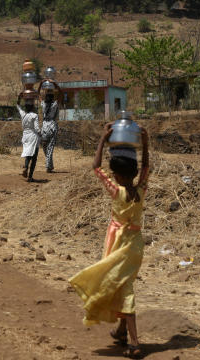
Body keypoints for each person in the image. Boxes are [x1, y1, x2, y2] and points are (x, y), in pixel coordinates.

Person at [68, 123, 150, 359]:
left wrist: (103, 139)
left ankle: (135, 343)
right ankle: (122, 332)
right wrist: (145, 142)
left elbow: (95, 167)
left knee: (123, 288)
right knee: (120, 283)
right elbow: (146, 165)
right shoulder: (141, 189)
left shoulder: (116, 191)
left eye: (114, 172)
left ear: (118, 175)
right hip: (135, 245)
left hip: (118, 244)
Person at [38, 81, 61, 173]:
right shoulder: (54, 104)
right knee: (50, 147)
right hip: (52, 126)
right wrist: (55, 85)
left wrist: (40, 84)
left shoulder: (43, 104)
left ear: (45, 97)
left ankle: (49, 165)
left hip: (44, 127)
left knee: (44, 146)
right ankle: (48, 166)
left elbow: (38, 94)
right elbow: (61, 94)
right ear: (53, 98)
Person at [17, 93, 40, 182]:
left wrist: (19, 97)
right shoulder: (35, 115)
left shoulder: (23, 114)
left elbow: (18, 106)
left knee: (27, 154)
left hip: (25, 137)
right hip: (33, 137)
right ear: (33, 107)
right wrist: (41, 134)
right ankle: (30, 177)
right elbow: (37, 128)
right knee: (34, 158)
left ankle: (26, 167)